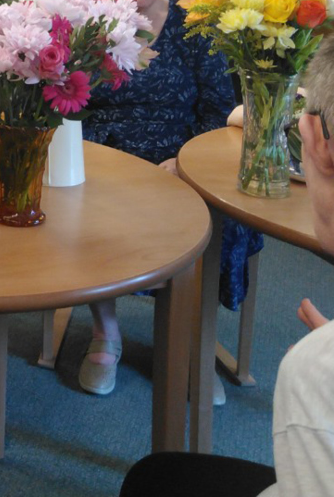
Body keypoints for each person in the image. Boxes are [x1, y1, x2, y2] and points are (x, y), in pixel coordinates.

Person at [119, 34, 334, 497]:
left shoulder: (319, 371)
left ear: (312, 138)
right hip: (112, 150)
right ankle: (108, 332)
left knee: (153, 479)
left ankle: (195, 348)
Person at [79, 0, 261, 400]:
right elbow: (63, 99)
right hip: (103, 155)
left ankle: (185, 339)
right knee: (86, 206)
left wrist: (188, 164)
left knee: (216, 213)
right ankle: (106, 332)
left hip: (180, 156)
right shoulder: (84, 24)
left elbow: (219, 107)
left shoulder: (193, 26)